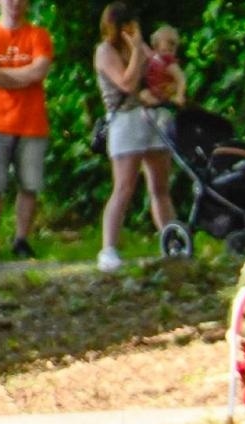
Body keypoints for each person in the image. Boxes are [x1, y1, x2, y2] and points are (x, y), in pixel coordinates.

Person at [93, 3, 174, 273]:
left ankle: (171, 241)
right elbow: (126, 83)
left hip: (150, 117)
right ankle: (109, 248)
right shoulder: (105, 51)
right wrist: (138, 50)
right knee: (124, 186)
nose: (131, 29)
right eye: (126, 25)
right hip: (124, 119)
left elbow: (157, 71)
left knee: (160, 187)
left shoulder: (140, 46)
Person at [0, 0, 52, 259]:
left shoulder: (38, 35)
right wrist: (23, 75)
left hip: (32, 123)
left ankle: (21, 240)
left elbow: (39, 71)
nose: (14, 3)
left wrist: (3, 75)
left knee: (29, 186)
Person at [139, 25, 185, 109]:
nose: (168, 52)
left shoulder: (168, 60)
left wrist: (180, 95)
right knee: (144, 94)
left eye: (171, 49)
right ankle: (156, 104)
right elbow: (145, 49)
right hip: (154, 92)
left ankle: (162, 104)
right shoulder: (155, 57)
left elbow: (181, 78)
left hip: (166, 92)